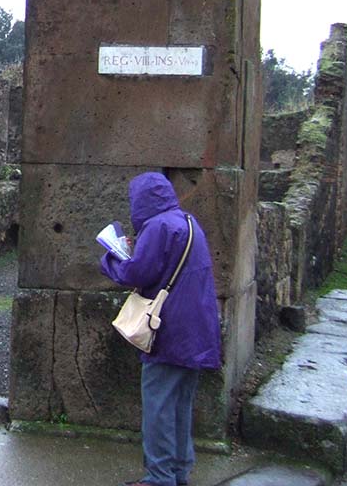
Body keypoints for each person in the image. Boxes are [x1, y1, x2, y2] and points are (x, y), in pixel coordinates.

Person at [100, 172, 221, 486]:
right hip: (198, 329)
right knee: (180, 406)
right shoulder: (189, 223)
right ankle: (179, 472)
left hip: (169, 331)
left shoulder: (158, 227)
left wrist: (110, 258)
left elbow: (137, 272)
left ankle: (159, 477)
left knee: (158, 407)